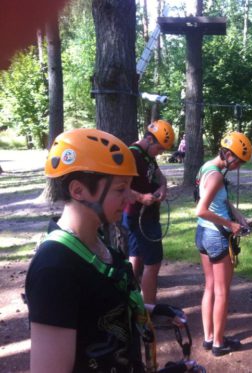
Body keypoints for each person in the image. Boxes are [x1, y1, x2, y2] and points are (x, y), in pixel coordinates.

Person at [25, 128, 189, 372]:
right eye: (120, 189)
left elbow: (100, 312)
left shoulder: (99, 246)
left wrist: (155, 311)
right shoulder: (55, 269)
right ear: (78, 191)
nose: (130, 198)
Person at [195, 131, 252, 357]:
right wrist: (230, 224)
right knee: (221, 292)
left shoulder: (208, 168)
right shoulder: (218, 175)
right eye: (238, 160)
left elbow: (219, 198)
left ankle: (209, 337)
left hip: (202, 233)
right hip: (216, 236)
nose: (238, 165)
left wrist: (236, 214)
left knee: (210, 287)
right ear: (228, 154)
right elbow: (201, 209)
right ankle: (219, 343)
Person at [123, 119, 175, 305]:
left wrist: (163, 187)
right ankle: (150, 310)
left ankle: (134, 303)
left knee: (135, 256)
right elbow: (123, 188)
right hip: (139, 217)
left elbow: (160, 176)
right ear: (150, 140)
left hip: (146, 215)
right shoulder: (132, 156)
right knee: (153, 263)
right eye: (159, 149)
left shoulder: (147, 155)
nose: (160, 153)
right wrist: (142, 198)